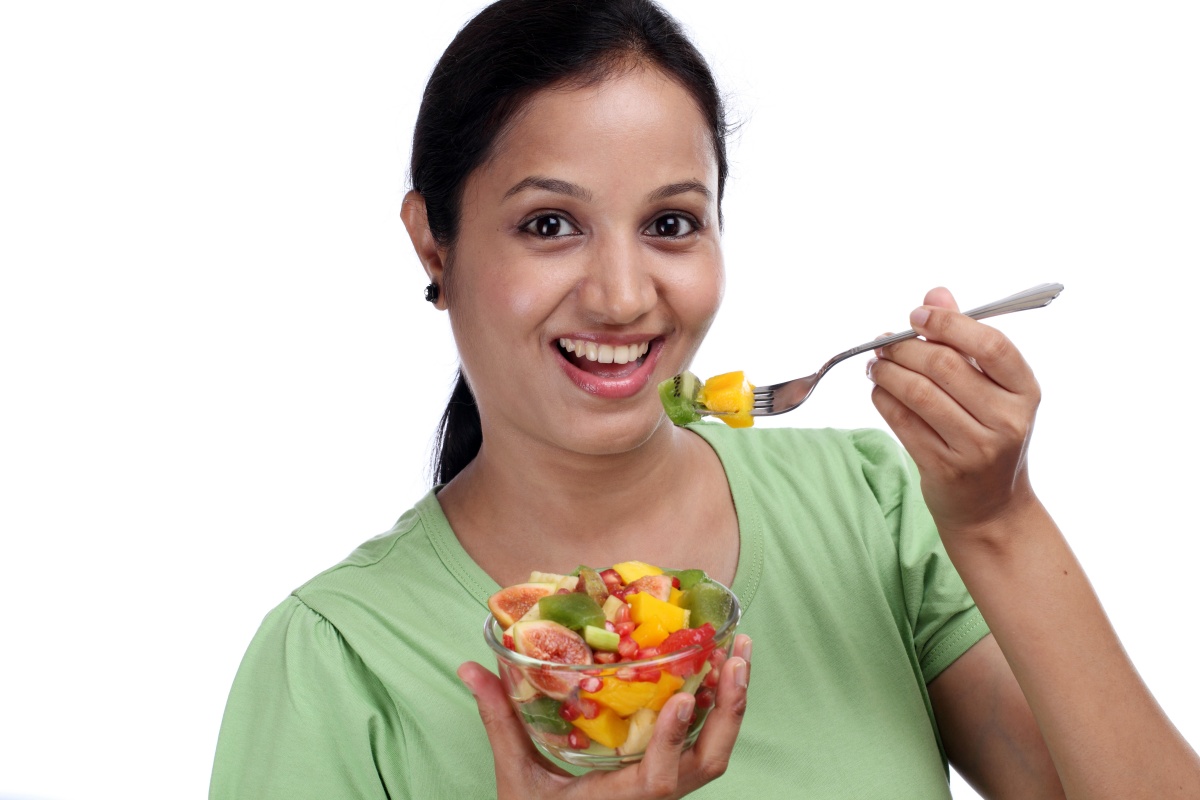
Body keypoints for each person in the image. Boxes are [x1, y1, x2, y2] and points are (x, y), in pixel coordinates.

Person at [210, 1, 1200, 797]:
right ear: (434, 242)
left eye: (672, 223)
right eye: (551, 223)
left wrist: (998, 520)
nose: (623, 294)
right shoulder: (334, 664)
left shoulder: (865, 510)